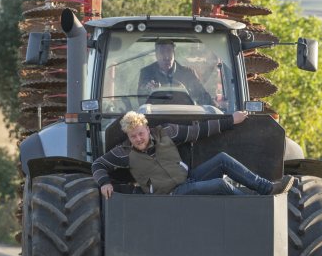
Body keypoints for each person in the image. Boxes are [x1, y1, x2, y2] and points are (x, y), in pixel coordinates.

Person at [93, 111, 295, 198]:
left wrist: (230, 121)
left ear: (147, 128)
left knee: (222, 159)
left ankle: (267, 188)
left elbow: (199, 131)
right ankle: (252, 206)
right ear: (128, 137)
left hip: (189, 179)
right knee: (220, 184)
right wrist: (105, 183)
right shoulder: (123, 152)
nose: (138, 139)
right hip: (170, 195)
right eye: (133, 136)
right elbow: (98, 165)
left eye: (140, 133)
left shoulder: (166, 133)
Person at [137, 40, 213, 105]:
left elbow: (204, 99)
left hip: (185, 116)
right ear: (156, 55)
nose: (166, 57)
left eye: (169, 51)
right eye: (162, 52)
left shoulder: (188, 73)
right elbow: (140, 100)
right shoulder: (146, 72)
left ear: (174, 53)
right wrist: (149, 91)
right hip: (156, 116)